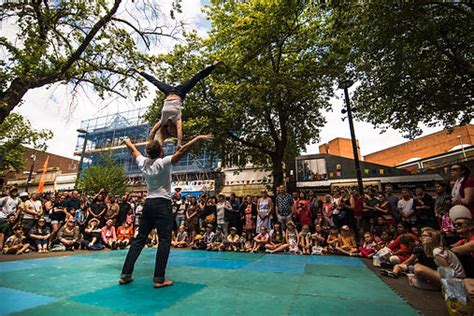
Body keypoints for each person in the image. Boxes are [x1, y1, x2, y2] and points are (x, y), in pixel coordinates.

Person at [120, 132, 213, 288]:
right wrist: (197, 138)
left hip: (148, 203)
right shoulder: (164, 163)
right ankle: (159, 279)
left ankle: (125, 275)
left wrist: (127, 141)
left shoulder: (143, 162)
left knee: (139, 239)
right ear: (161, 152)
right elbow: (182, 151)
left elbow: (133, 150)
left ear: (147, 153)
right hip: (162, 204)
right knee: (164, 241)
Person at [133, 61, 222, 148]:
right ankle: (213, 65)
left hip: (168, 92)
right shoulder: (177, 119)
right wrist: (179, 144)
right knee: (196, 78)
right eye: (173, 132)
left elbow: (152, 132)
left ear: (167, 129)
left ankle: (140, 71)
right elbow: (179, 130)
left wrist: (150, 145)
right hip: (180, 92)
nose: (171, 131)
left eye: (170, 132)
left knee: (155, 82)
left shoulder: (163, 121)